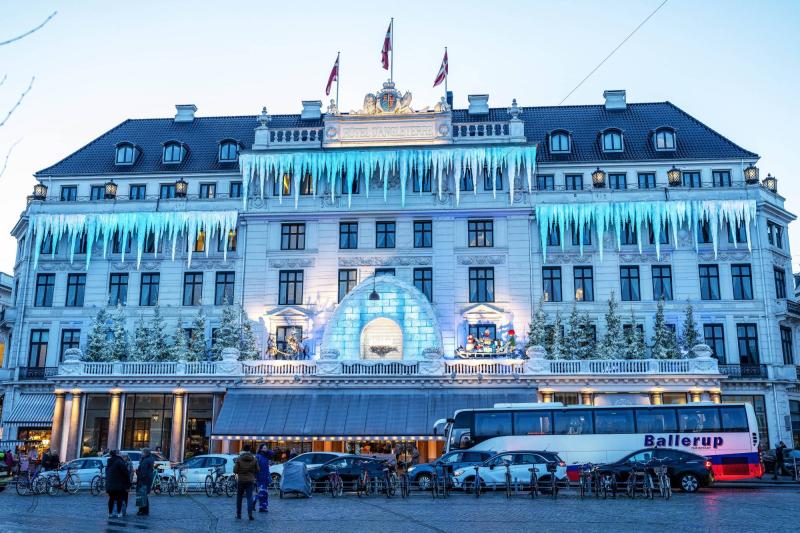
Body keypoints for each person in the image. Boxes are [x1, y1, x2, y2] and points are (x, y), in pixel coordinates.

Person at [233, 444, 259, 520]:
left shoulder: (239, 458)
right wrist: (251, 472)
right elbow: (258, 470)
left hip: (241, 480)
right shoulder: (254, 459)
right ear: (250, 449)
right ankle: (250, 514)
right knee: (249, 497)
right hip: (250, 480)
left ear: (243, 449)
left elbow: (235, 470)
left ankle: (239, 514)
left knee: (239, 497)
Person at [105, 450, 130, 519]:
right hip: (118, 484)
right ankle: (119, 513)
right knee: (120, 498)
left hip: (110, 484)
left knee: (111, 498)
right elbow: (126, 473)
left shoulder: (109, 461)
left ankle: (110, 513)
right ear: (117, 454)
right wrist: (128, 483)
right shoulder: (120, 461)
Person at [135, 448, 156, 516]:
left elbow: (143, 472)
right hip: (146, 480)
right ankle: (143, 510)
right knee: (143, 495)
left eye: (142, 453)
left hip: (143, 480)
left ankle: (143, 511)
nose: (141, 454)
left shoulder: (146, 460)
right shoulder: (149, 459)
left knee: (142, 495)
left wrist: (138, 473)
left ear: (145, 453)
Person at [254, 444, 274, 513]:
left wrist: (267, 450)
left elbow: (272, 453)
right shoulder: (257, 456)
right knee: (262, 492)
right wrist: (256, 477)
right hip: (260, 477)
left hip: (266, 477)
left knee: (265, 493)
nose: (266, 449)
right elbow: (255, 468)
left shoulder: (266, 456)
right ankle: (254, 500)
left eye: (266, 448)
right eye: (264, 448)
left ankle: (263, 507)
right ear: (261, 449)